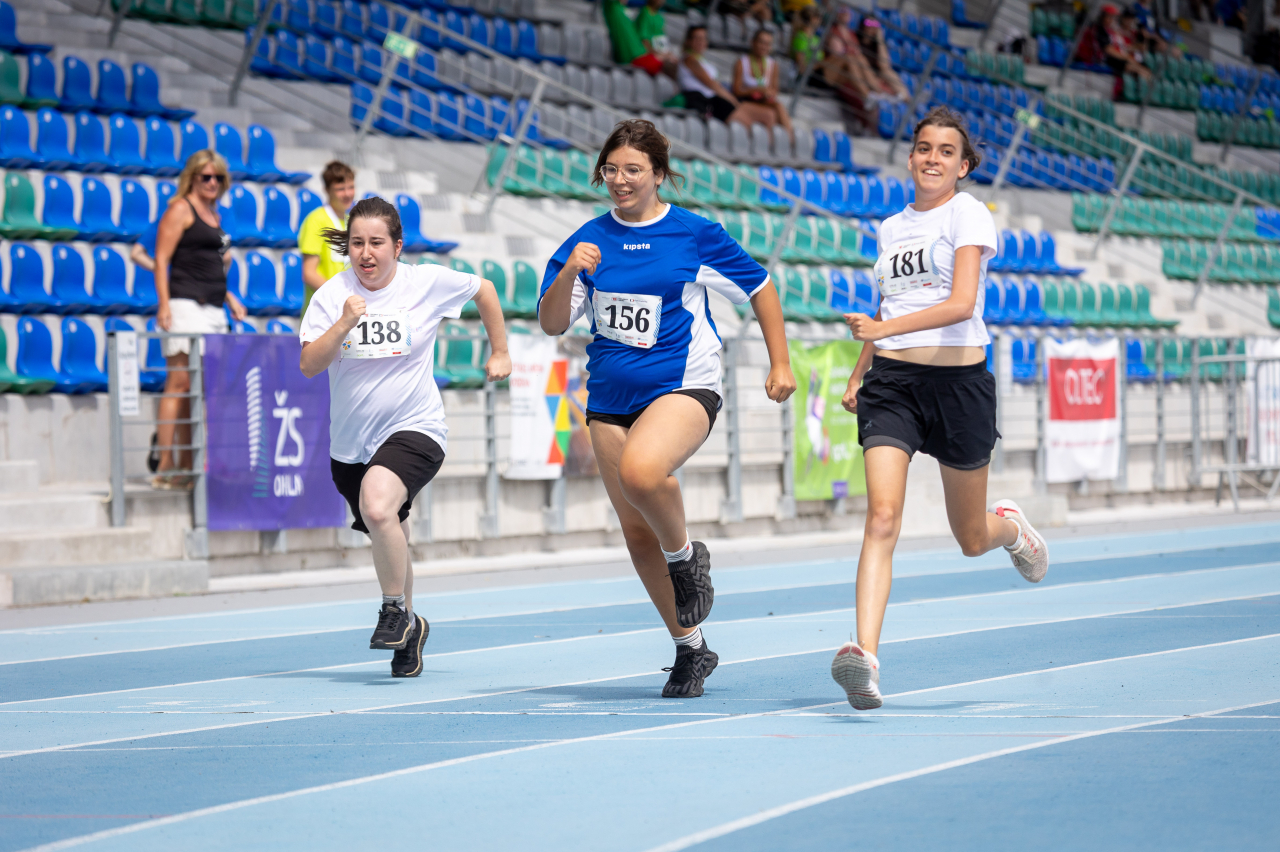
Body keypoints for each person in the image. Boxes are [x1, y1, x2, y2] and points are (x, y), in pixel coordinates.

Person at [538, 119, 797, 698]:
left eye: (633, 169)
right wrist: (572, 271)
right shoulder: (588, 239)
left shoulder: (693, 234)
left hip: (683, 386)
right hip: (609, 399)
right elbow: (552, 323)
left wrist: (780, 362)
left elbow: (759, 287)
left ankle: (685, 558)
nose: (621, 179)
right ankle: (690, 648)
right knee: (636, 533)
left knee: (642, 472)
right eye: (611, 169)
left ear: (658, 174)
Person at [831, 107, 1050, 711]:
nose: (933, 159)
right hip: (893, 384)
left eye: (946, 151)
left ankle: (1011, 528)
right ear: (910, 158)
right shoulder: (890, 227)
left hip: (959, 387)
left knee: (971, 537)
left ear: (964, 165)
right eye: (924, 148)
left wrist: (882, 327)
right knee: (882, 517)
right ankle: (865, 659)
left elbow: (961, 303)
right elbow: (890, 302)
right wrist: (860, 370)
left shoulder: (968, 213)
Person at [299, 197, 511, 678]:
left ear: (397, 246)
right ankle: (411, 627)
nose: (366, 253)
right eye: (357, 243)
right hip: (351, 446)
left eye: (376, 242)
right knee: (389, 528)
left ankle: (393, 608)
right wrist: (344, 323)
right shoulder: (332, 296)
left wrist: (500, 350)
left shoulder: (424, 283)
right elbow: (309, 364)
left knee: (378, 508)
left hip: (416, 427)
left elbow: (485, 289)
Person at [152, 150, 247, 490]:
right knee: (179, 383)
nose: (212, 182)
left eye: (218, 177)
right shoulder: (180, 209)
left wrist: (229, 296)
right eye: (206, 176)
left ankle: (189, 465)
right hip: (185, 306)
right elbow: (161, 260)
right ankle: (165, 463)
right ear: (192, 177)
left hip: (213, 309)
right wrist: (164, 305)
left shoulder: (215, 214)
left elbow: (211, 265)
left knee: (202, 389)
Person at [298, 160, 357, 315]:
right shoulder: (316, 220)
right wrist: (340, 297)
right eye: (340, 189)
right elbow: (309, 273)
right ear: (327, 190)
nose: (347, 194)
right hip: (321, 314)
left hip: (346, 312)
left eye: (351, 187)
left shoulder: (352, 221)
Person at [731, 28, 794, 139]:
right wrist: (757, 89)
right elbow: (736, 90)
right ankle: (790, 139)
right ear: (753, 42)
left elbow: (775, 90)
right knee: (774, 112)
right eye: (761, 42)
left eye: (768, 44)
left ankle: (787, 138)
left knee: (777, 107)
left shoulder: (773, 65)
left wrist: (767, 93)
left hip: (764, 101)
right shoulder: (742, 63)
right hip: (746, 101)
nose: (764, 47)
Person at [678, 26, 741, 123]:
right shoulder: (690, 59)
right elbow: (711, 84)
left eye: (703, 38)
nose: (700, 42)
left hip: (711, 99)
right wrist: (733, 100)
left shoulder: (702, 60)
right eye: (697, 38)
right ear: (689, 41)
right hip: (701, 100)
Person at [820, 6, 881, 98]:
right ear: (837, 14)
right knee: (850, 59)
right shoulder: (833, 31)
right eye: (843, 10)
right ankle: (867, 95)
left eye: (848, 11)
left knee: (861, 59)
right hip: (832, 71)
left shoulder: (851, 34)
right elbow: (837, 55)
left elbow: (858, 54)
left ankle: (877, 93)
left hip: (846, 71)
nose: (846, 13)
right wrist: (851, 52)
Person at [857, 17, 909, 99]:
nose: (871, 27)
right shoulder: (856, 40)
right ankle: (890, 98)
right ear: (862, 25)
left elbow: (884, 65)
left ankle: (906, 97)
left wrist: (880, 39)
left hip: (878, 76)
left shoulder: (876, 45)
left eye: (875, 25)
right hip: (865, 75)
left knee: (887, 72)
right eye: (868, 23)